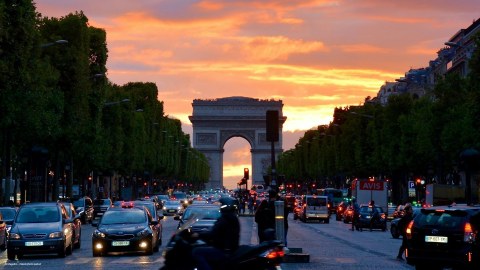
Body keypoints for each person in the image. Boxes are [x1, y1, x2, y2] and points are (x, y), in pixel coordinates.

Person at [192, 197, 241, 270]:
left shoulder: (226, 219)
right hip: (226, 249)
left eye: (222, 205)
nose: (220, 207)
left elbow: (213, 233)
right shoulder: (231, 217)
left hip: (223, 250)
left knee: (196, 252)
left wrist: (198, 234)